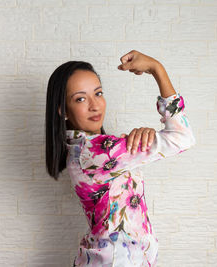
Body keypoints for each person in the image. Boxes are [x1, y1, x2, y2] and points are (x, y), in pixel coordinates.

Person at [45, 50, 196, 267]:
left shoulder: (85, 150)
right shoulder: (95, 152)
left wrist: (144, 136)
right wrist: (156, 69)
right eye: (80, 98)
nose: (95, 105)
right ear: (63, 111)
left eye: (98, 93)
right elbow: (183, 137)